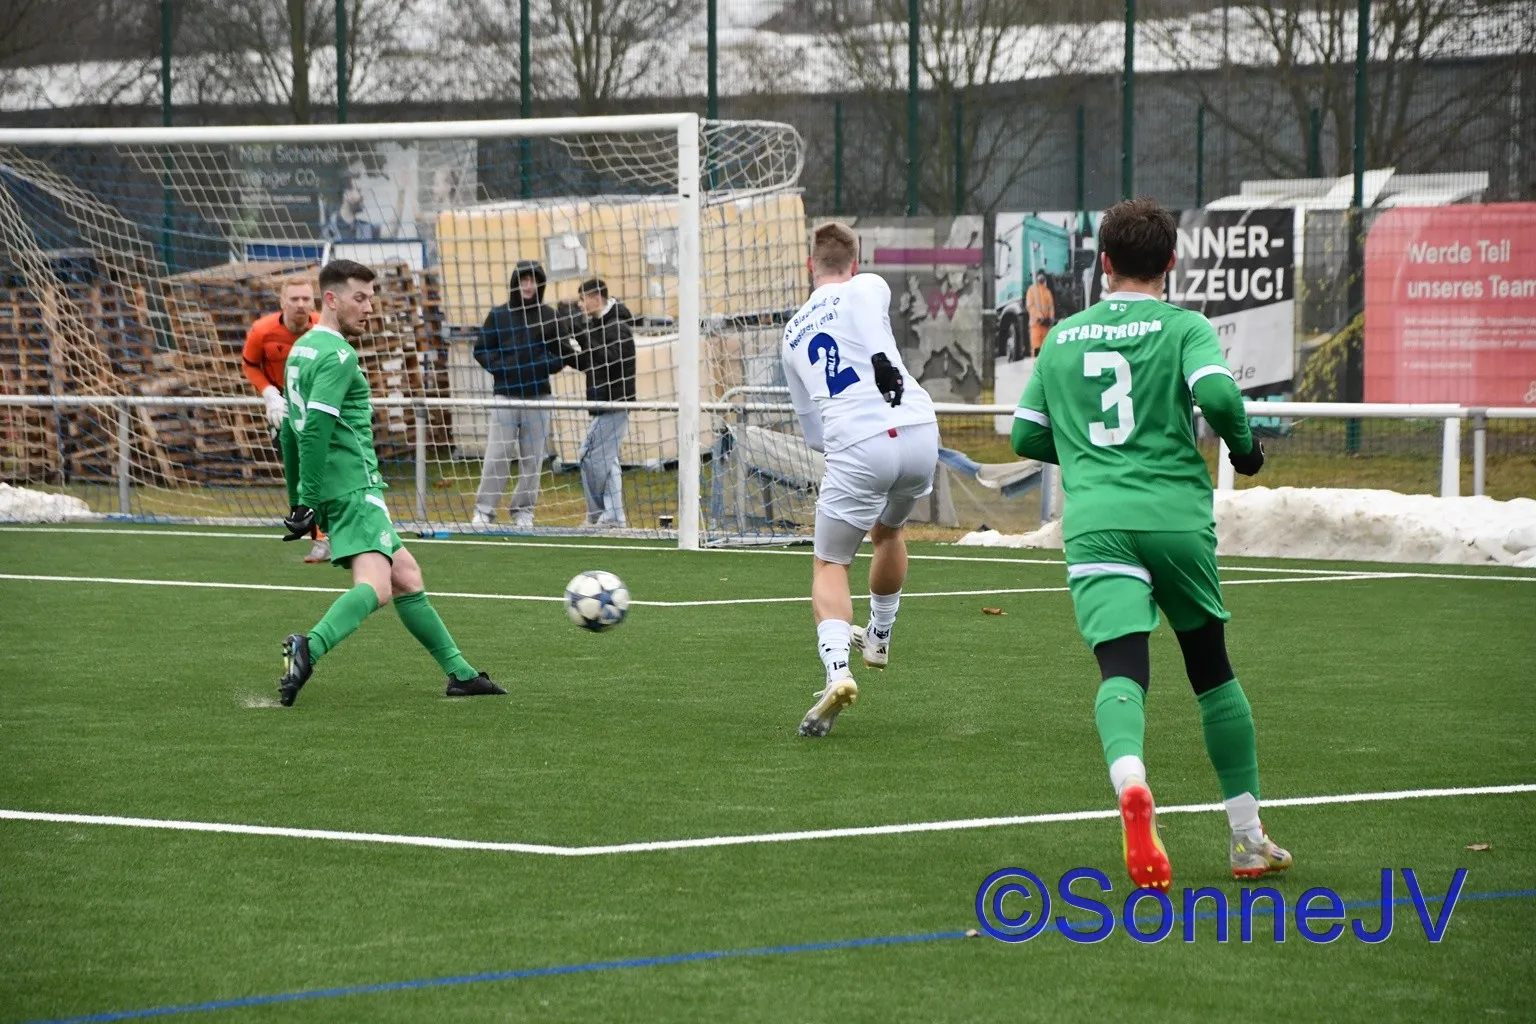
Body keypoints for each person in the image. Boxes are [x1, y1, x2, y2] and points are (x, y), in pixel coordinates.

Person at [1010, 197, 1289, 889]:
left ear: (1103, 263)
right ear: (1170, 262)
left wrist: (1087, 458)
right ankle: (1247, 838)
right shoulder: (1185, 326)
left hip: (1097, 523)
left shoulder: (1063, 337)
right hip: (1174, 519)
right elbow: (1219, 399)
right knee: (1211, 669)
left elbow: (1024, 434)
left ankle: (1132, 782)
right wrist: (1245, 450)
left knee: (1122, 669)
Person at [275, 259, 503, 706]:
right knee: (377, 588)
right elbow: (314, 429)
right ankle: (309, 646)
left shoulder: (301, 349)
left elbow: (288, 431)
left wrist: (300, 499)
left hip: (334, 489)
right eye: (359, 298)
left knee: (406, 576)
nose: (369, 308)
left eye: (371, 298)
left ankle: (460, 673)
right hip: (354, 487)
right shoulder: (339, 355)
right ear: (331, 299)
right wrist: (305, 500)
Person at [780, 222, 938, 738]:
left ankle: (837, 672)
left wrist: (875, 367)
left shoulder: (793, 333)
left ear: (811, 265)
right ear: (856, 258)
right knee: (888, 532)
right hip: (918, 430)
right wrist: (882, 364)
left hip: (858, 442)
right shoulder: (869, 283)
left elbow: (813, 432)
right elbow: (868, 314)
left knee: (830, 563)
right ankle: (879, 636)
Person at [471, 260, 567, 528]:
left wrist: (540, 366)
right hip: (506, 396)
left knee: (532, 458)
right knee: (498, 454)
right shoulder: (499, 315)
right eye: (524, 280)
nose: (528, 285)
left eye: (533, 280)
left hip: (539, 397)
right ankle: (484, 510)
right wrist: (504, 368)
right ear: (516, 283)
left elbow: (562, 353)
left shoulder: (549, 316)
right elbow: (481, 350)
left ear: (540, 284)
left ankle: (523, 511)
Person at [241, 276, 329, 563]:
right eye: (294, 299)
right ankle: (312, 529)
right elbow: (250, 365)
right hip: (284, 408)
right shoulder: (262, 331)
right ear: (282, 302)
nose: (301, 304)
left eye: (306, 299)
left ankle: (329, 534)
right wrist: (269, 394)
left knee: (322, 467)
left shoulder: (324, 329)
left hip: (318, 405)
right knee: (296, 470)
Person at [565, 278, 636, 528]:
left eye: (582, 299)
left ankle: (605, 515)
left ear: (596, 298)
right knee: (607, 460)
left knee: (589, 456)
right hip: (601, 403)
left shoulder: (618, 325)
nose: (580, 304)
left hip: (615, 403)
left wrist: (582, 337)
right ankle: (608, 515)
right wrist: (563, 351)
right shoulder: (598, 325)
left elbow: (610, 361)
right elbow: (590, 363)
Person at [321, 173, 380, 242]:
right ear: (346, 194)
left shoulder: (371, 230)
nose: (362, 195)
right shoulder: (326, 233)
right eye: (359, 191)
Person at [1026, 269, 1056, 355]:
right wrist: (1039, 316)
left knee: (1045, 349)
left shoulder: (1047, 292)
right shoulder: (1032, 290)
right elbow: (1030, 306)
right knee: (1036, 349)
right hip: (1036, 324)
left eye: (1042, 276)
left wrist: (1051, 318)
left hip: (1045, 325)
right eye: (1040, 275)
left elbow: (1051, 306)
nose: (1041, 278)